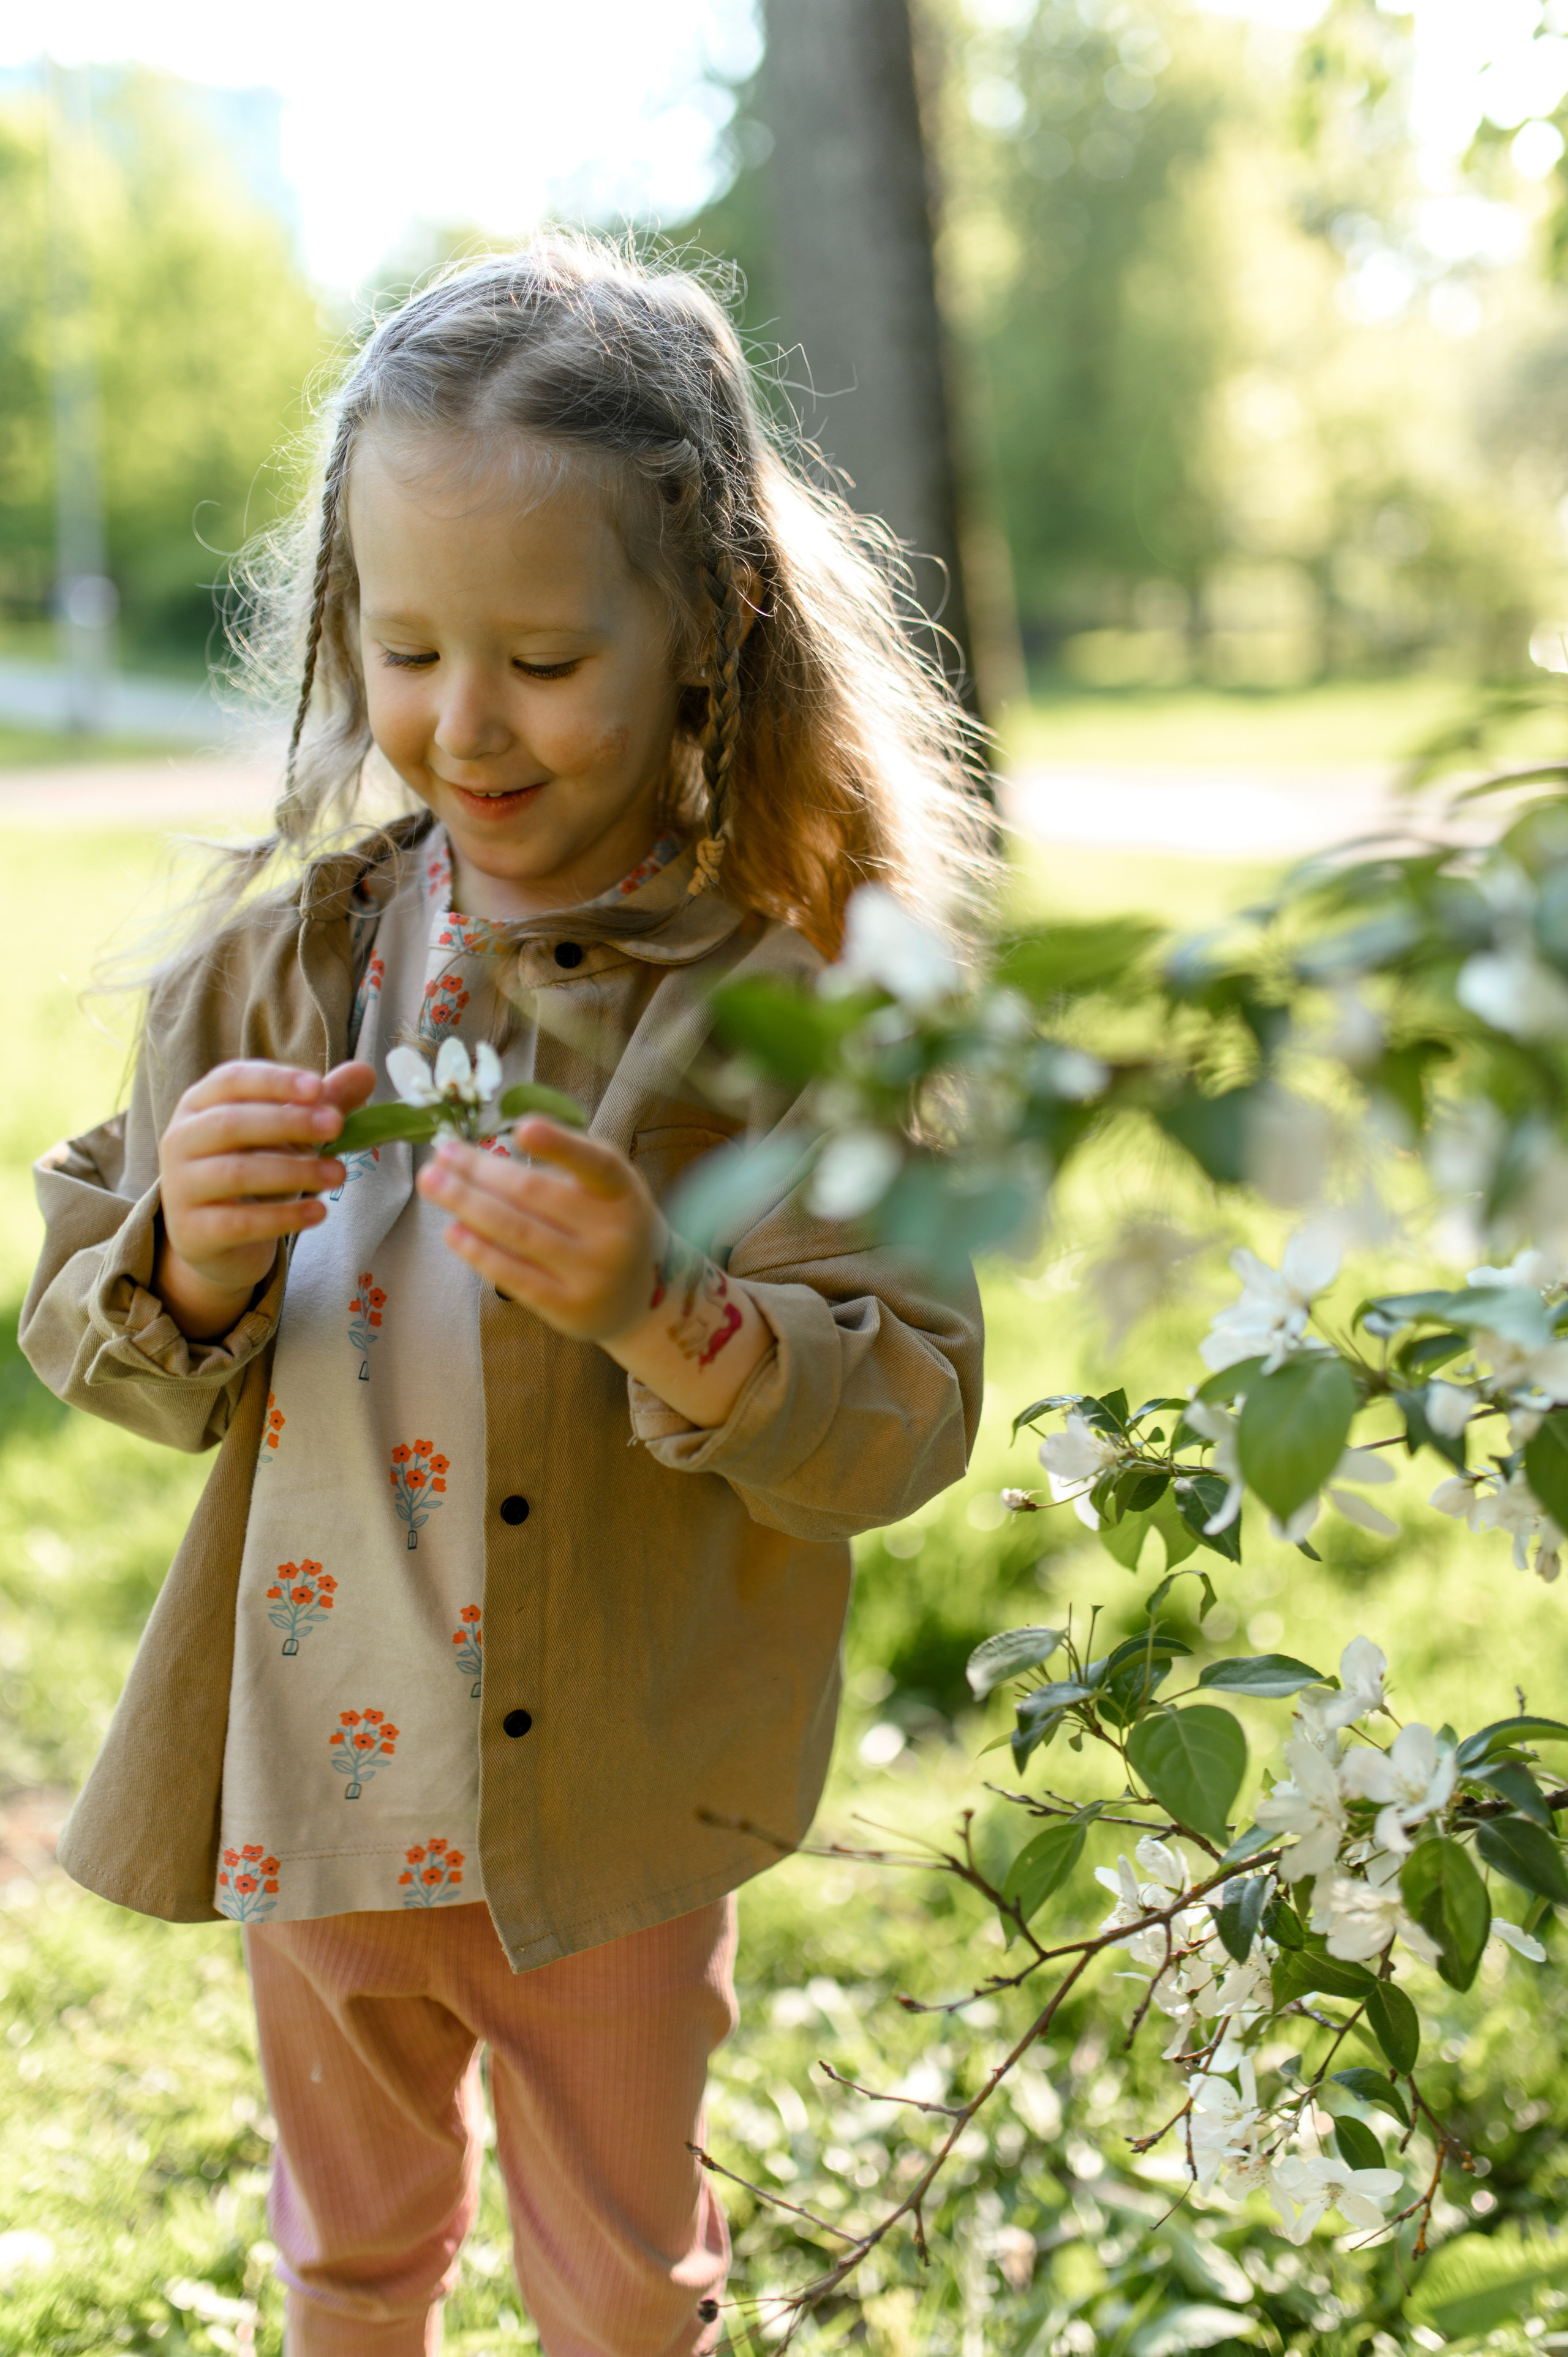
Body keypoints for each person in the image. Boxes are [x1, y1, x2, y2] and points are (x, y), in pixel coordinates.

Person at [21, 238, 989, 2357]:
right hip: (319, 1774)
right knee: (345, 2258)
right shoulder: (278, 972)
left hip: (609, 1810)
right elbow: (83, 1315)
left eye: (545, 658)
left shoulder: (791, 1008)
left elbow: (907, 1406)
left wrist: (673, 1316)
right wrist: (183, 1250)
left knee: (624, 2278)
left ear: (708, 631)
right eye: (406, 643)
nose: (464, 723)